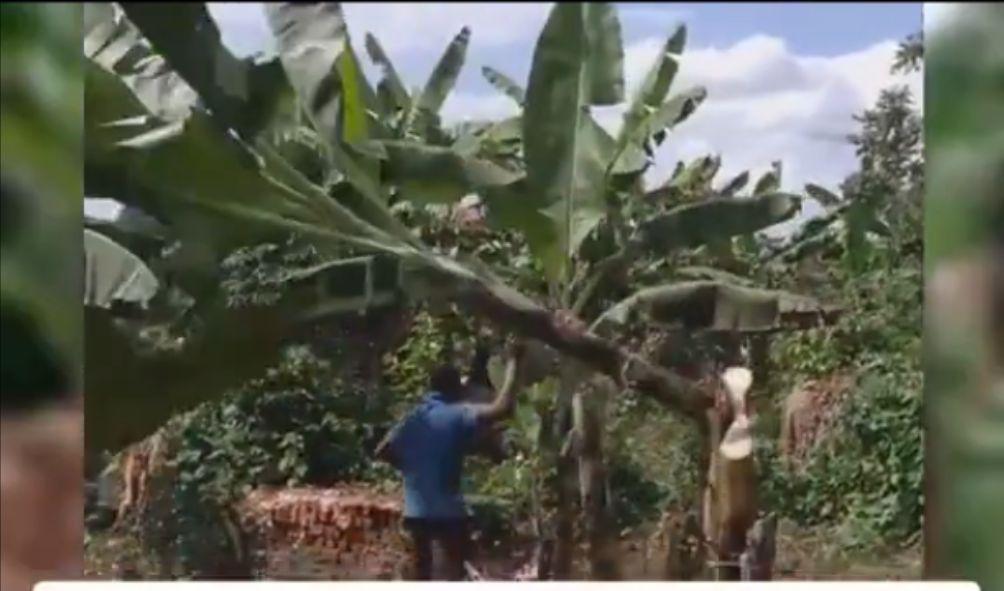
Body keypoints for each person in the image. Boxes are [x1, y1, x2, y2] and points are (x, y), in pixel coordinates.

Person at [375, 338, 524, 581]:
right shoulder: (457, 414)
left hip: (416, 512)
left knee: (421, 572)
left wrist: (413, 469)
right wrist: (515, 362)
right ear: (457, 389)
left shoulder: (414, 417)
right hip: (448, 512)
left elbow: (382, 450)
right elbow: (503, 408)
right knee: (457, 570)